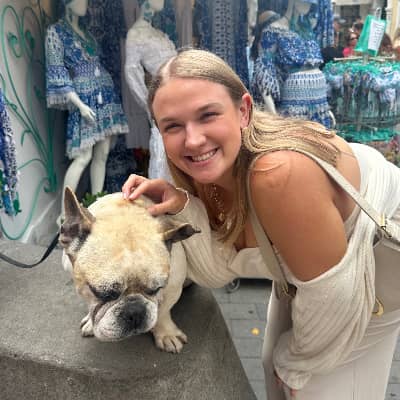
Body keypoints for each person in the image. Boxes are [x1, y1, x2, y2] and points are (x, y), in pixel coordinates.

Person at [122, 48, 400, 399]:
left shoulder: (276, 175)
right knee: (275, 364)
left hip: (375, 266)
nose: (192, 140)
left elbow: (334, 302)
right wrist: (184, 207)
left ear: (244, 110)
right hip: (316, 275)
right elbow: (217, 272)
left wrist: (295, 364)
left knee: (310, 384)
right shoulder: (202, 172)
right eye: (173, 126)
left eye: (208, 115)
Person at [45, 0, 128, 220]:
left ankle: (96, 206)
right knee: (83, 156)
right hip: (85, 99)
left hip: (105, 96)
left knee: (103, 153)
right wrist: (80, 106)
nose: (85, 3)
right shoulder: (56, 32)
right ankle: (65, 214)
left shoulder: (86, 32)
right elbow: (57, 73)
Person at [250, 0, 334, 128]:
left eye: (311, 4)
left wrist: (327, 108)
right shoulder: (273, 30)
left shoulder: (308, 30)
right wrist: (273, 114)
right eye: (305, 2)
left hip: (320, 102)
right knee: (298, 137)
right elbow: (264, 72)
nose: (308, 6)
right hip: (296, 101)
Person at [125, 0, 176, 181]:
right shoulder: (135, 34)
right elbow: (131, 71)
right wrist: (148, 104)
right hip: (163, 100)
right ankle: (163, 190)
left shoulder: (159, 33)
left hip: (179, 96)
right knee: (163, 144)